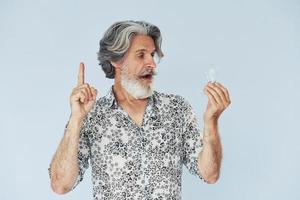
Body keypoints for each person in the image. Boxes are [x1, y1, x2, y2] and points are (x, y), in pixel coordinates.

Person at [48, 20, 231, 199]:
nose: (152, 63)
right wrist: (76, 119)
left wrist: (211, 120)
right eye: (141, 55)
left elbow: (209, 174)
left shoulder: (177, 109)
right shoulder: (92, 115)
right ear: (116, 60)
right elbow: (60, 185)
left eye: (152, 55)